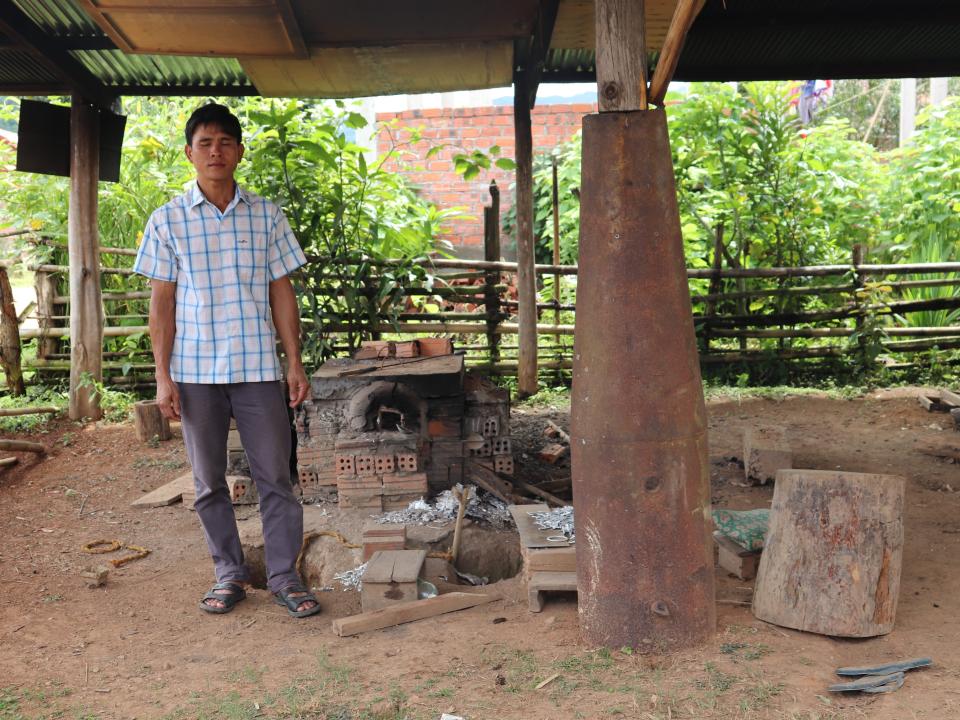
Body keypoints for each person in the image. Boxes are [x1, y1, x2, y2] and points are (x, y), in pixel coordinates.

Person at [134, 103, 320, 618]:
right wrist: (163, 376)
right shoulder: (167, 220)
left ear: (239, 150)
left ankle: (284, 575)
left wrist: (294, 362)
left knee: (276, 479)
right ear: (189, 153)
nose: (215, 151)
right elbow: (162, 305)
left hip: (258, 368)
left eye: (225, 142)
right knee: (208, 482)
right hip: (195, 375)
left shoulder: (266, 214)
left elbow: (282, 293)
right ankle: (229, 573)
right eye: (205, 143)